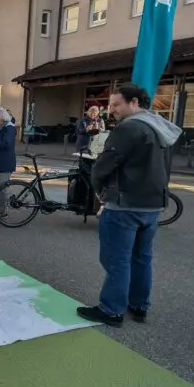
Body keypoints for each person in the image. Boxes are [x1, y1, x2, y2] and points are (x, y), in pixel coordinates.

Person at [77, 83, 181, 327]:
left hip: (125, 204)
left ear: (133, 103)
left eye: (116, 105)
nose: (111, 110)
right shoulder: (160, 127)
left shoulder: (129, 128)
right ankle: (139, 305)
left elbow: (104, 163)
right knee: (142, 258)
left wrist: (100, 191)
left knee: (117, 260)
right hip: (152, 205)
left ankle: (112, 310)